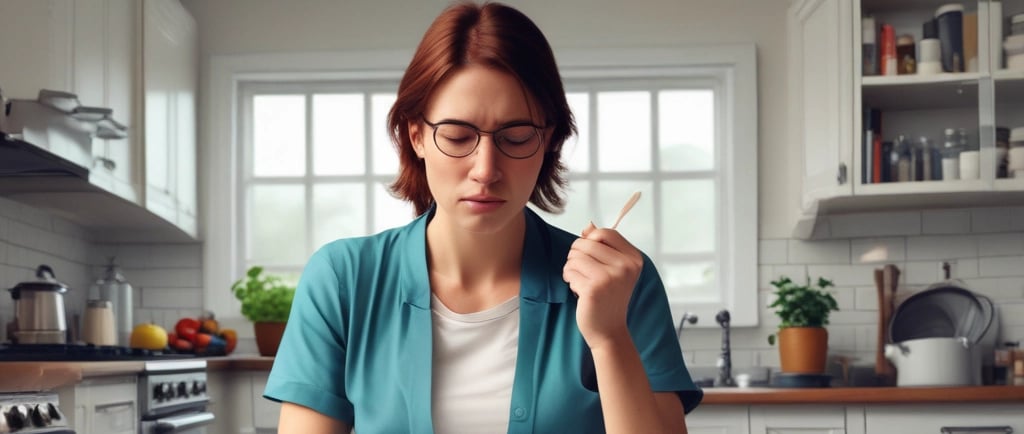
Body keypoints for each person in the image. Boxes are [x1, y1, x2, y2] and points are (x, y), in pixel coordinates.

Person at [263, 2, 703, 433]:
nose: (486, 170)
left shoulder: (622, 282)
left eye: (517, 137)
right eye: (457, 136)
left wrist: (609, 338)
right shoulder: (342, 280)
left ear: (549, 140)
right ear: (416, 136)